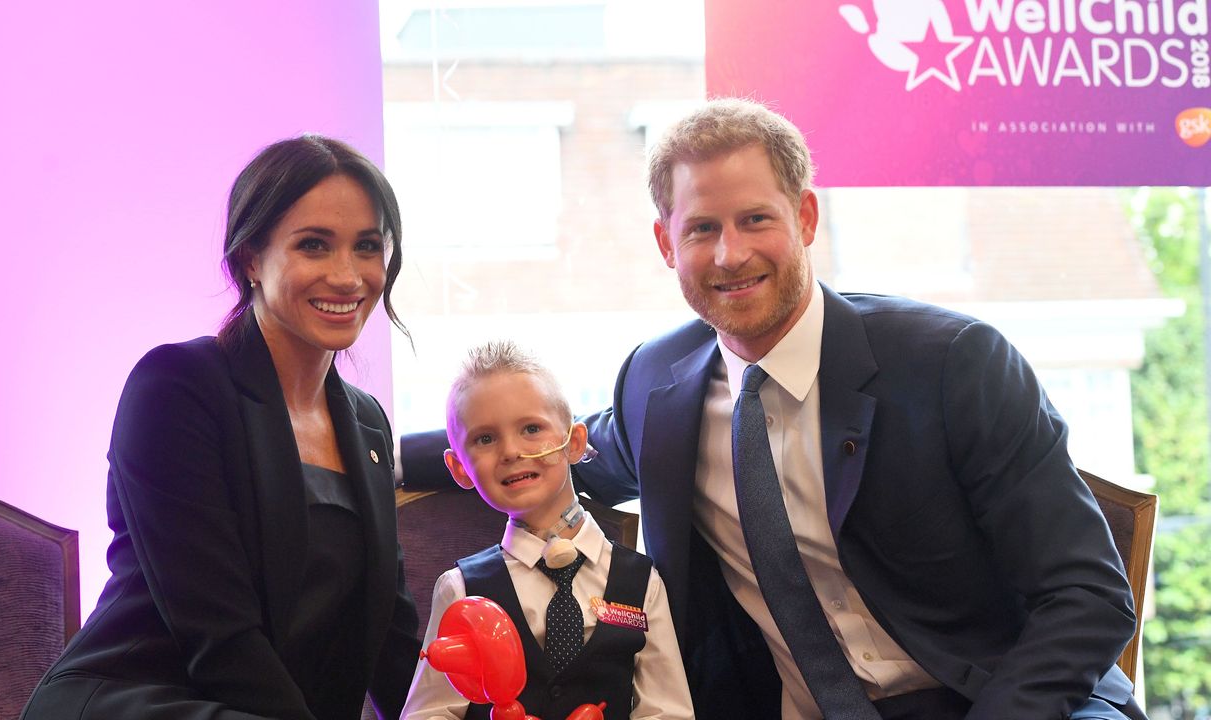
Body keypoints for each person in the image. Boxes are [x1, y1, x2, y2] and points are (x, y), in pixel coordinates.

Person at [566, 98, 1145, 719]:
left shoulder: (955, 363)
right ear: (666, 242)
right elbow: (539, 449)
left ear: (806, 217)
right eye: (702, 228)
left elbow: (1090, 595)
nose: (730, 254)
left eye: (756, 219)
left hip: (998, 698)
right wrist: (462, 445)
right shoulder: (655, 388)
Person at [22, 135, 420, 720]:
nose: (347, 275)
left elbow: (390, 633)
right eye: (314, 245)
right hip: (141, 698)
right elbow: (217, 634)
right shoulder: (176, 387)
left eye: (367, 246)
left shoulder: (367, 425)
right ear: (252, 259)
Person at [401, 340, 693, 720]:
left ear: (573, 443)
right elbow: (428, 712)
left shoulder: (642, 582)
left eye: (531, 428)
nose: (510, 452)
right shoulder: (461, 588)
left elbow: (668, 710)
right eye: (485, 439)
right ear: (459, 469)